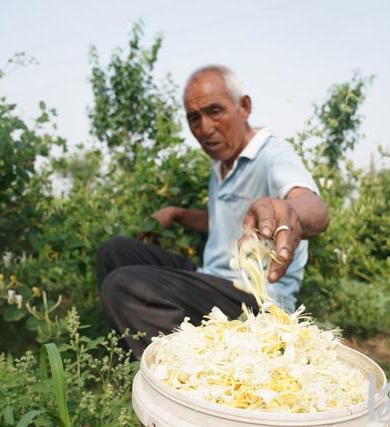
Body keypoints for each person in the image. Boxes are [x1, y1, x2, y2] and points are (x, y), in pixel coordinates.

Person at [98, 65, 329, 359]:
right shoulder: (222, 163)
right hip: (212, 278)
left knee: (123, 287)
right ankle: (138, 356)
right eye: (194, 118)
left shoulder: (273, 155)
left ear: (244, 107)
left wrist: (286, 211)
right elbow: (222, 221)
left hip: (251, 299)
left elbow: (314, 208)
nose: (205, 128)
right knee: (115, 251)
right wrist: (178, 213)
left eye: (215, 111)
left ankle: (191, 379)